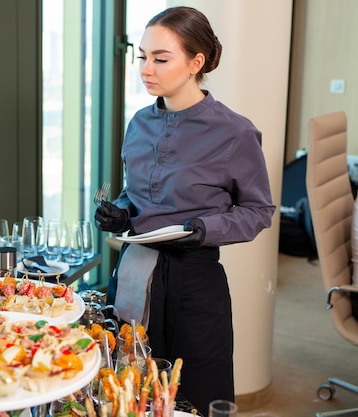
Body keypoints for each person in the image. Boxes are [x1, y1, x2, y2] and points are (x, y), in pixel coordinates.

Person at [94, 6, 276, 413]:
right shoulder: (139, 122)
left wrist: (204, 228)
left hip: (194, 283)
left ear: (197, 62)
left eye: (161, 58)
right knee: (127, 388)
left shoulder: (235, 132)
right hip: (132, 275)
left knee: (192, 394)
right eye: (142, 56)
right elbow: (135, 194)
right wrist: (121, 212)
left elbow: (258, 210)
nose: (146, 68)